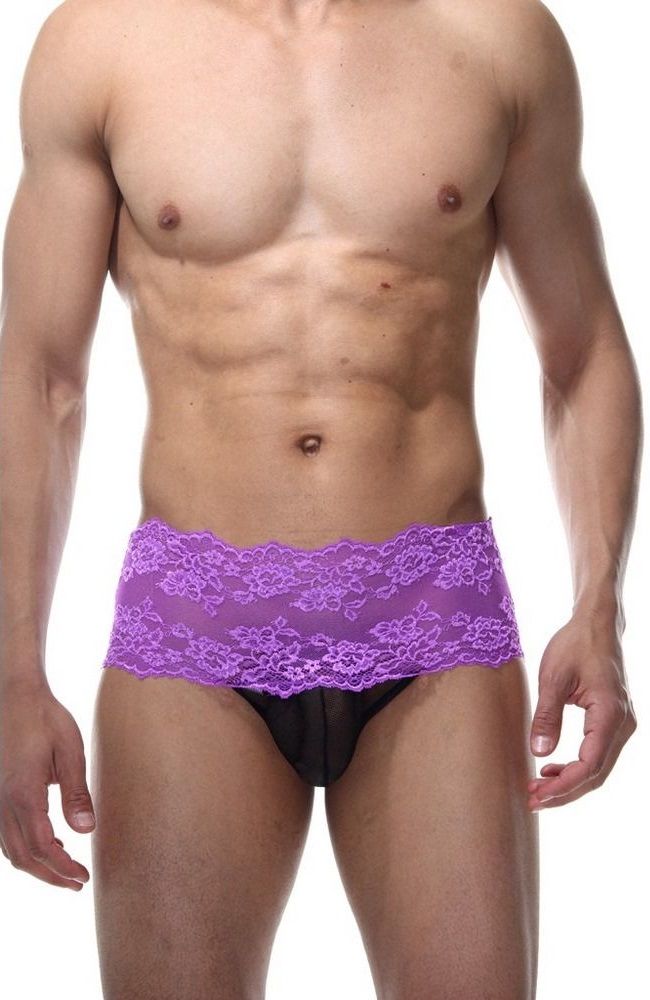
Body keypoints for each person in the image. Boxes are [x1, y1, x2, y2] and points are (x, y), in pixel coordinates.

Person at [0, 0, 641, 997]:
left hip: (433, 620)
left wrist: (599, 608)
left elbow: (583, 350)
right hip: (194, 630)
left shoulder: (496, 35)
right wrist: (13, 672)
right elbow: (41, 378)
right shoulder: (101, 41)